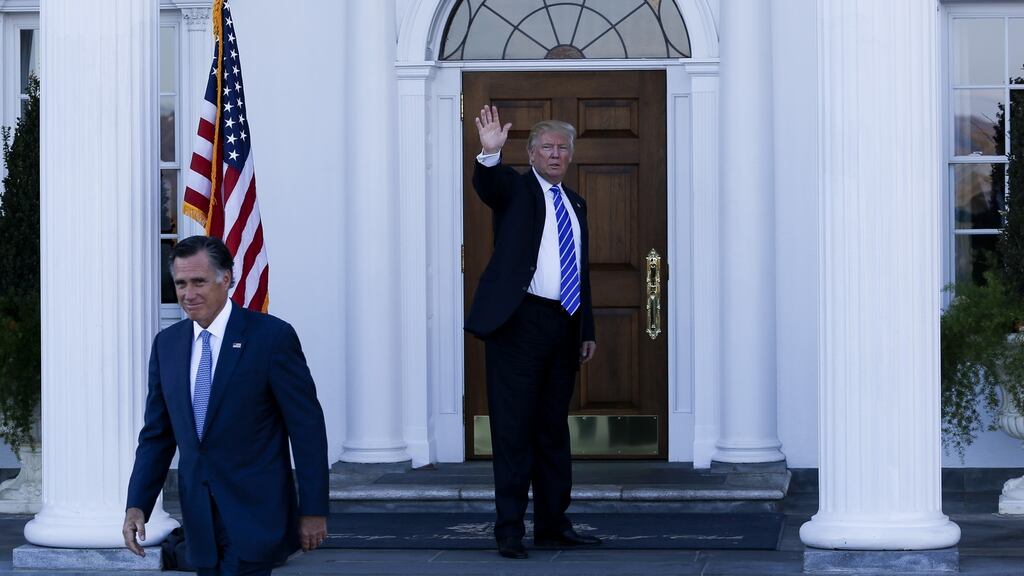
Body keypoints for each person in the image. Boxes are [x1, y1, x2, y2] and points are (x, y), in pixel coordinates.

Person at [122, 235, 329, 575]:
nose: (189, 294)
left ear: (226, 279)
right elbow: (157, 435)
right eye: (181, 283)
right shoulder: (167, 346)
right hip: (200, 522)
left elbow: (306, 429)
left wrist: (314, 509)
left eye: (199, 282)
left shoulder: (271, 338)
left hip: (256, 515)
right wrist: (137, 505)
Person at [467, 105, 600, 559]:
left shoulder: (576, 203)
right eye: (548, 148)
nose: (556, 155)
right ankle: (509, 529)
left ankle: (552, 524)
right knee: (513, 430)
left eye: (563, 148)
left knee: (551, 431)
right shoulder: (517, 191)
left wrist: (586, 328)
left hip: (563, 325)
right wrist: (488, 155)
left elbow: (579, 272)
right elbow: (490, 186)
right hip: (519, 322)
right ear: (531, 153)